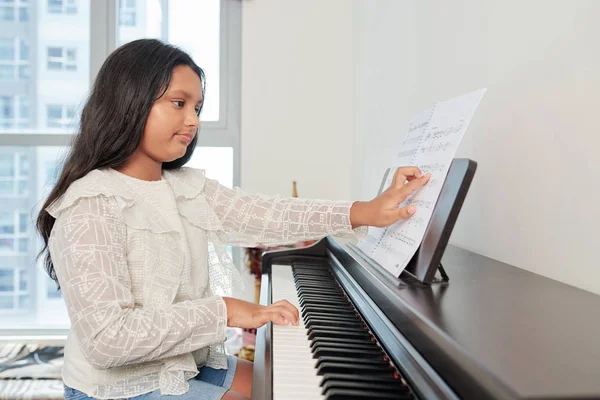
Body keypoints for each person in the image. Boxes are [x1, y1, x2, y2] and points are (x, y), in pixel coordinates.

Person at [36, 39, 430, 400]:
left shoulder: (184, 187)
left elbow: (269, 214)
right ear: (129, 102)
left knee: (277, 384)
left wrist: (367, 211)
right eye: (179, 103)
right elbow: (107, 340)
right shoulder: (89, 203)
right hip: (118, 389)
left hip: (182, 363)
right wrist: (225, 309)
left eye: (198, 108)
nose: (193, 121)